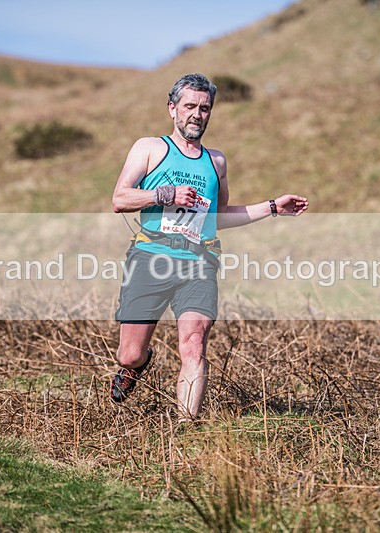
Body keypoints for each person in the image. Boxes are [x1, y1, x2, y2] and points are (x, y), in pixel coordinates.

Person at [110, 73, 308, 421]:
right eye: (189, 106)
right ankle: (137, 365)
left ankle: (187, 431)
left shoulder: (216, 161)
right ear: (172, 109)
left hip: (198, 262)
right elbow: (120, 198)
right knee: (129, 354)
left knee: (194, 342)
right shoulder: (150, 148)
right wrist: (164, 194)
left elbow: (216, 217)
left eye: (205, 108)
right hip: (150, 257)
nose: (197, 115)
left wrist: (273, 207)